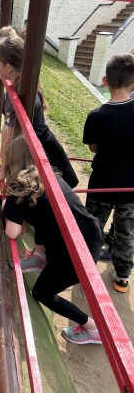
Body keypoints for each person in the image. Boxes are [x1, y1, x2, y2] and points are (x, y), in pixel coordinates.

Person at [0, 35, 79, 268]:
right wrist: (3, 160)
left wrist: (4, 167)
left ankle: (45, 252)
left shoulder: (22, 90)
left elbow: (11, 133)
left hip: (43, 150)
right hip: (37, 146)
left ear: (8, 66)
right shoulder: (18, 85)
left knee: (49, 195)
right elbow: (10, 131)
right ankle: (40, 244)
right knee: (40, 195)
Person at [2, 135, 104, 344]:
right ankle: (40, 257)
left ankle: (92, 328)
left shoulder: (19, 185)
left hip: (76, 253)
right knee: (43, 216)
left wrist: (7, 207)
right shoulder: (48, 175)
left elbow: (12, 232)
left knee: (42, 292)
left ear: (12, 159)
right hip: (90, 233)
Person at [83, 53, 134, 293]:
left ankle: (86, 266)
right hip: (130, 188)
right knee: (126, 232)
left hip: (101, 184)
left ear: (105, 81)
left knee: (93, 225)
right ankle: (122, 276)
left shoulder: (96, 116)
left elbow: (94, 148)